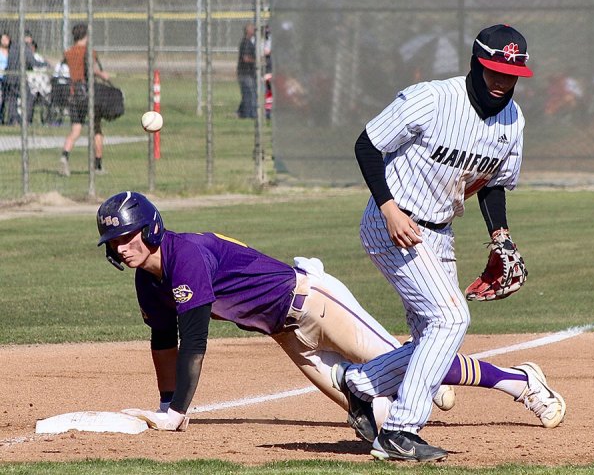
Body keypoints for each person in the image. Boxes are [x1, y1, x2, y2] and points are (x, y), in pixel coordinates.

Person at [96, 191, 565, 442]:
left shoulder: (186, 255)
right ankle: (415, 383)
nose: (123, 247)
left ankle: (519, 381)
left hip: (314, 302)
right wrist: (164, 402)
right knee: (373, 424)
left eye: (129, 235)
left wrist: (179, 411)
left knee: (422, 362)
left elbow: (195, 340)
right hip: (285, 333)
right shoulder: (148, 280)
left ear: (151, 227)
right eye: (114, 243)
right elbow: (164, 339)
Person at [338, 24, 566, 462]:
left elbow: (494, 183)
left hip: (440, 231)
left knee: (436, 340)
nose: (502, 81)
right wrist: (388, 207)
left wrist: (499, 236)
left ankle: (363, 384)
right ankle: (400, 431)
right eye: (494, 70)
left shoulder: (513, 120)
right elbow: (368, 144)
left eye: (511, 73)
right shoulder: (432, 98)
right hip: (393, 224)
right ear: (476, 64)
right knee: (450, 318)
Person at [59, 23, 109, 177]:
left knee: (75, 130)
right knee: (96, 128)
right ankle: (98, 165)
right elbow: (91, 70)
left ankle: (64, 156)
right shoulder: (89, 52)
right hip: (87, 95)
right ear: (85, 36)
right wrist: (102, 75)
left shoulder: (68, 53)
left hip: (73, 95)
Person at [3, 30, 35, 125]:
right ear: (26, 38)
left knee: (12, 99)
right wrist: (46, 63)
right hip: (18, 78)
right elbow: (33, 62)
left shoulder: (13, 47)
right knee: (29, 96)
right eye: (29, 38)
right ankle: (25, 119)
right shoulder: (25, 48)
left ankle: (14, 120)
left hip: (9, 77)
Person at [236, 22, 257, 119]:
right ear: (248, 31)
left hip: (249, 74)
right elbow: (245, 58)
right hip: (246, 73)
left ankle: (243, 113)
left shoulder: (249, 42)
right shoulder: (246, 43)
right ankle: (249, 115)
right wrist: (257, 61)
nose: (254, 31)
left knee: (248, 95)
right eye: (253, 29)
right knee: (250, 95)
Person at [0, 32, 10, 124]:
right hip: (0, 78)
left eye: (6, 39)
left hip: (9, 78)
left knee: (7, 99)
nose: (5, 41)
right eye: (3, 39)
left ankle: (5, 118)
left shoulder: (11, 52)